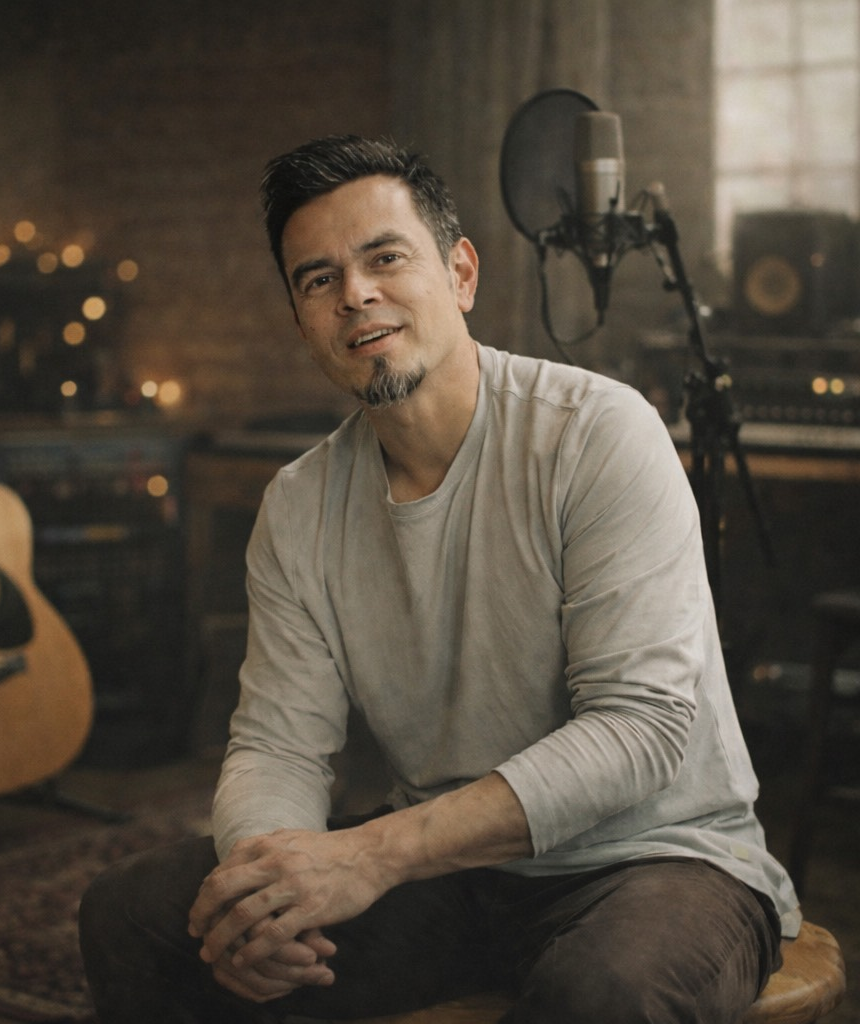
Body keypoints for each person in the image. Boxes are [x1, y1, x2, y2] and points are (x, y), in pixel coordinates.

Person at [79, 135, 800, 1024]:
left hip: (658, 859)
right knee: (136, 915)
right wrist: (268, 882)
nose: (356, 295)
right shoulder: (299, 505)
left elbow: (639, 730)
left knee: (600, 994)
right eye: (317, 279)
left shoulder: (598, 434)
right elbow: (278, 745)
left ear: (461, 274)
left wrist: (371, 856)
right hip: (455, 876)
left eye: (385, 257)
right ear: (303, 319)